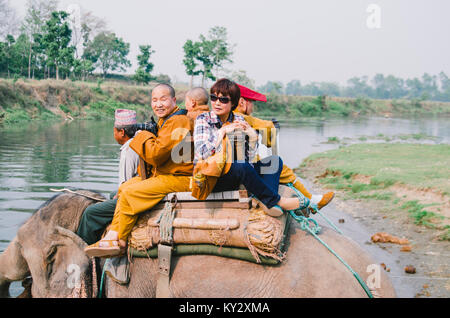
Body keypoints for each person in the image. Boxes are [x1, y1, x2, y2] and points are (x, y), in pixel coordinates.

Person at [84, 83, 194, 258]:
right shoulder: (168, 120)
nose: (158, 104)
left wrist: (142, 135)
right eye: (154, 100)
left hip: (181, 177)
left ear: (174, 100)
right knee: (125, 187)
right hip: (167, 174)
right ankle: (113, 233)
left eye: (163, 99)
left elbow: (157, 155)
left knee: (131, 192)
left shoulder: (179, 120)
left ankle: (119, 240)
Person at [194, 78, 312, 217]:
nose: (217, 103)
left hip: (236, 173)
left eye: (223, 100)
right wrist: (222, 132)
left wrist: (253, 138)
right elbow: (202, 153)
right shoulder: (204, 119)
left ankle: (265, 201)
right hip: (212, 177)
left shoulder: (239, 120)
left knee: (274, 161)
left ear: (233, 103)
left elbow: (248, 159)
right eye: (214, 98)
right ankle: (276, 201)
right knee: (240, 166)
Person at [234, 83, 335, 212]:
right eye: (252, 102)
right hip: (243, 167)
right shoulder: (241, 117)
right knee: (278, 166)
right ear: (242, 102)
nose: (253, 107)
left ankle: (310, 201)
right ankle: (310, 201)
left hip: (238, 164)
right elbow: (268, 128)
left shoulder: (230, 116)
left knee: (276, 165)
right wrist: (272, 128)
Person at [76, 109, 140, 245]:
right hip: (136, 190)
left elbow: (125, 185)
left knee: (90, 213)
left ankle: (83, 250)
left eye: (114, 131)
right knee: (112, 194)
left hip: (131, 197)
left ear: (122, 132)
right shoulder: (138, 141)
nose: (114, 134)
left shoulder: (128, 151)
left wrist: (119, 195)